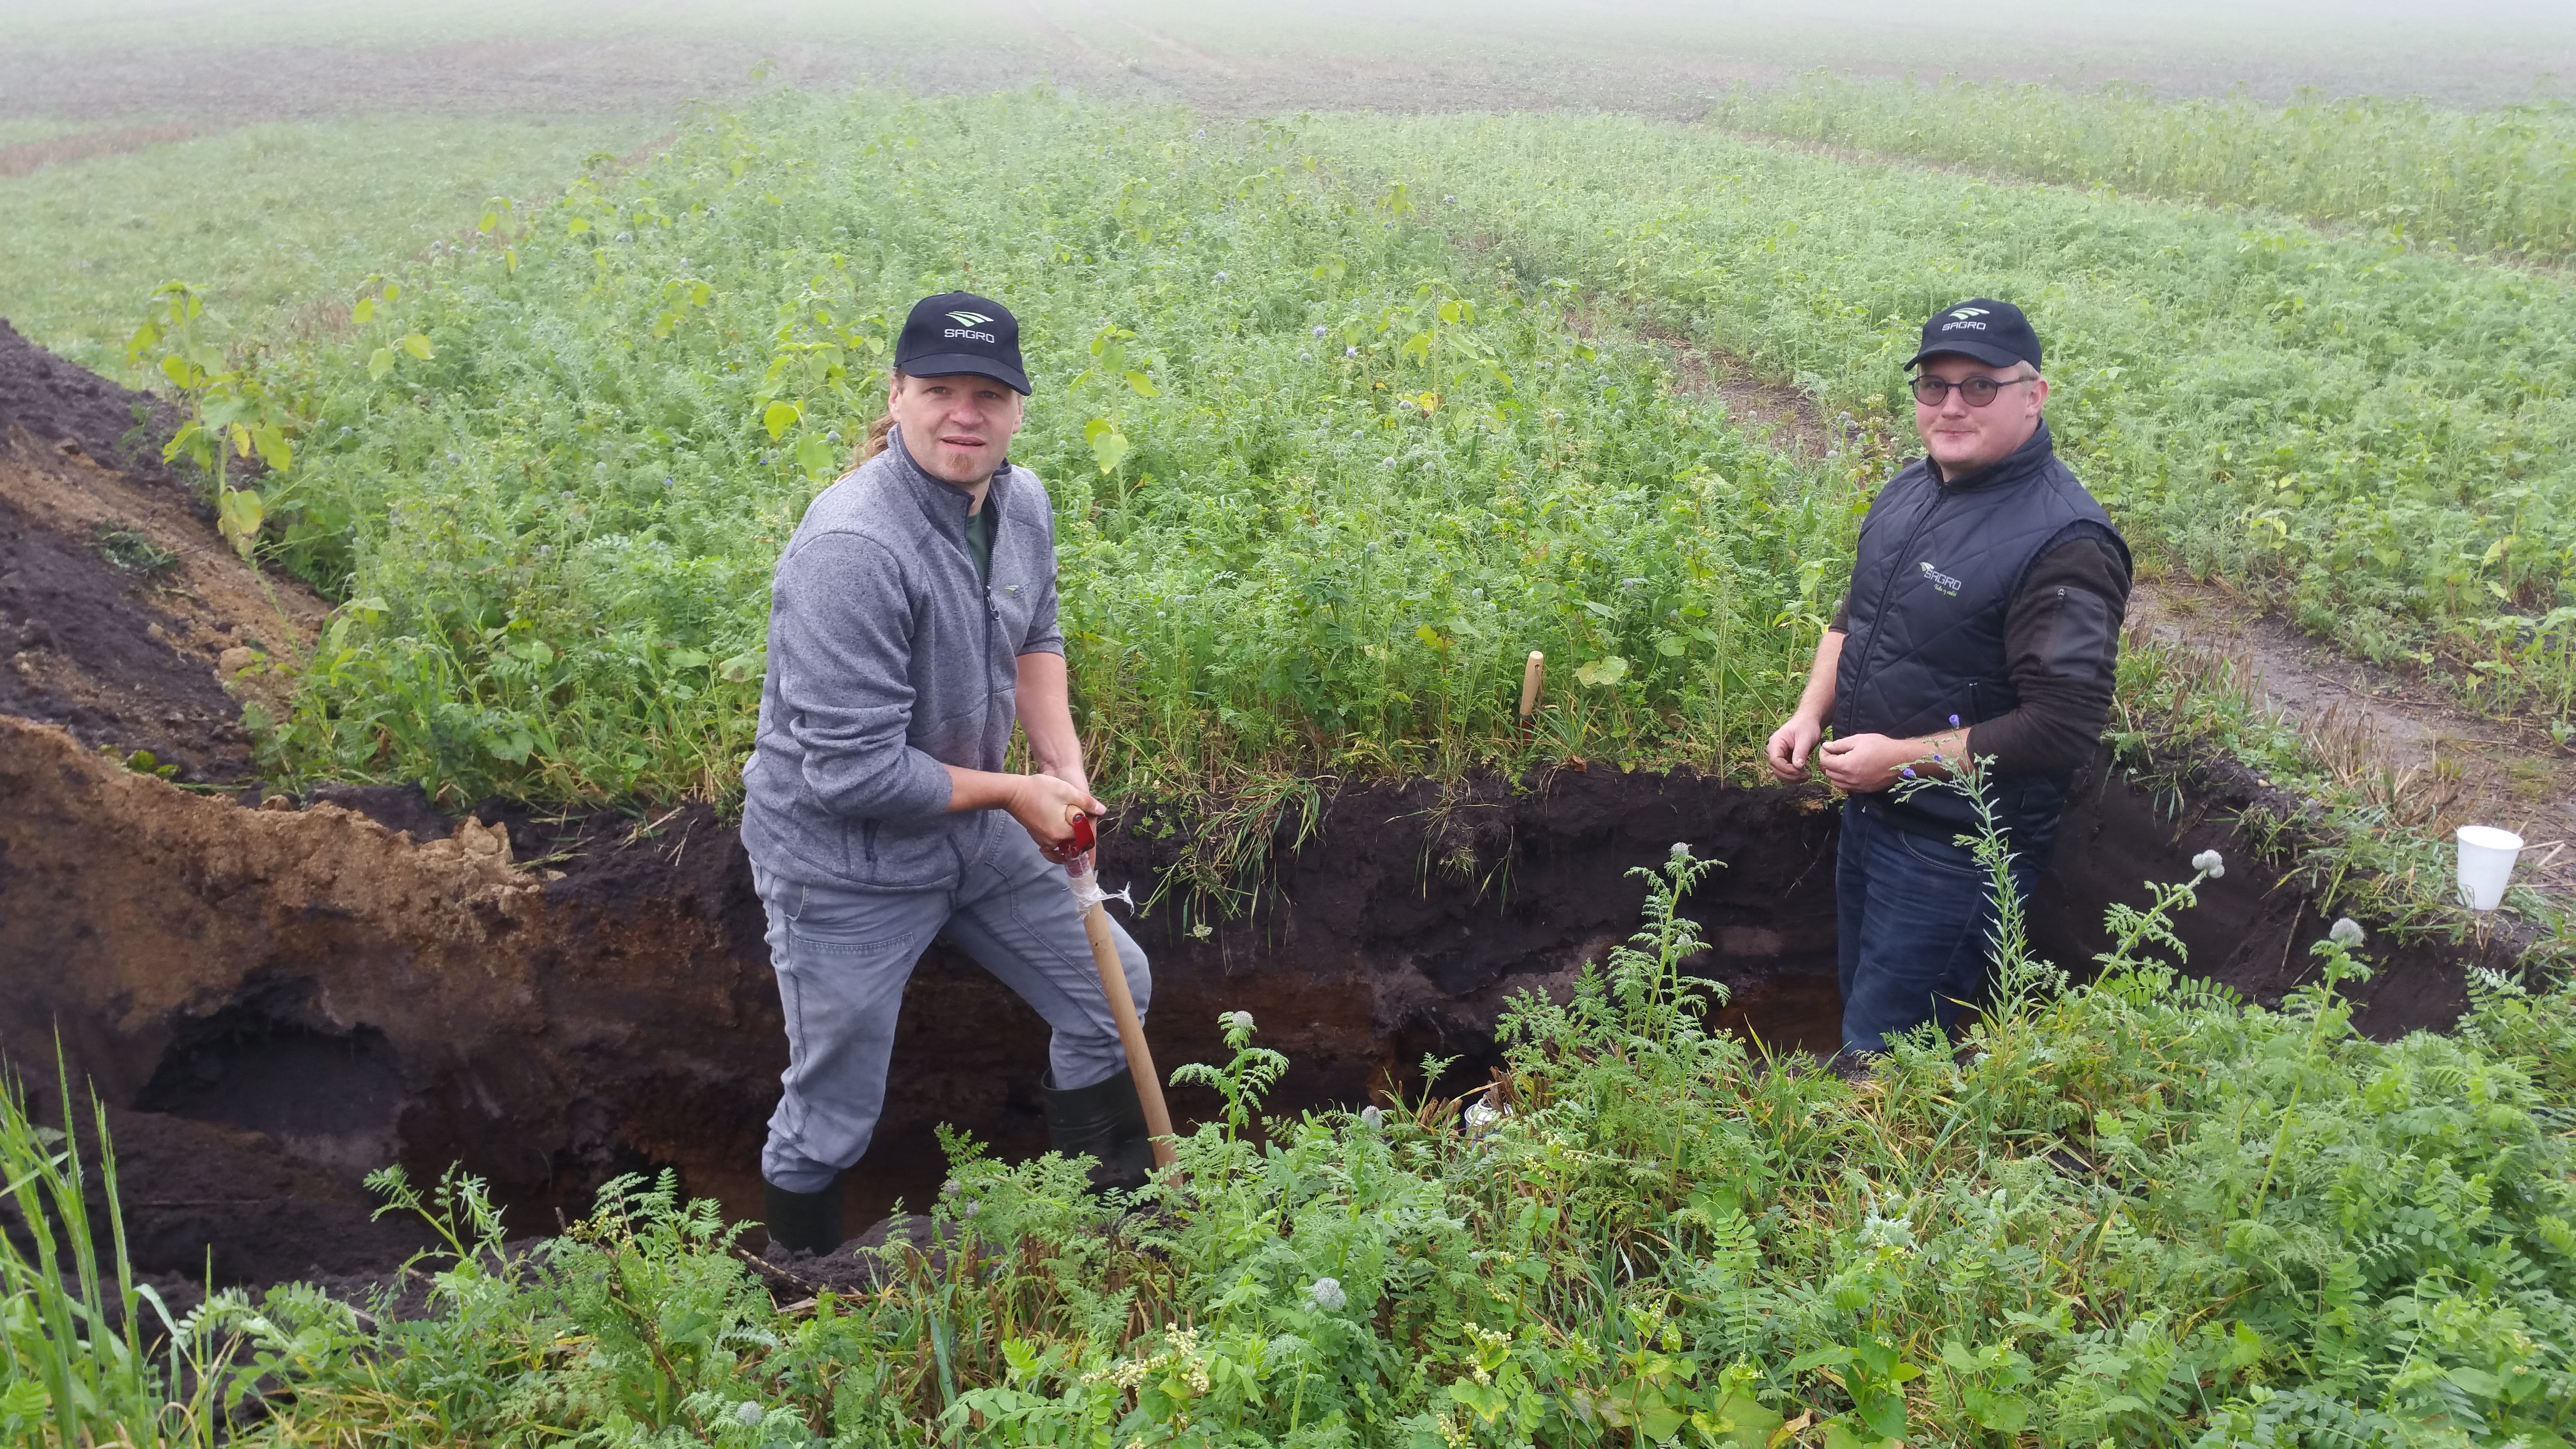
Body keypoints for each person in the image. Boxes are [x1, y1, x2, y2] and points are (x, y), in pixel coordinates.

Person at [740, 291, 1156, 1253]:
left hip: (966, 832)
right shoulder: (853, 547)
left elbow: (1036, 632)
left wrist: (1061, 768)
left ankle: (1105, 1234)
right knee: (834, 1108)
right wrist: (1014, 794)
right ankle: (798, 1283)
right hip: (845, 863)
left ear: (1018, 410)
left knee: (1113, 997)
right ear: (896, 396)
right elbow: (853, 775)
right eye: (939, 391)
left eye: (989, 394)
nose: (964, 415)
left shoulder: (1020, 502)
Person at [1766, 298, 2130, 1063]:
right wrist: (1810, 713)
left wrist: (1897, 762)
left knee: (1893, 1053)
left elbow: (2062, 727)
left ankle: (1881, 1136)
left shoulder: (2068, 544)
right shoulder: (1912, 489)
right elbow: (1855, 617)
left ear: (2034, 395)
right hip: (1872, 814)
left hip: (1958, 849)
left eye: (1980, 386)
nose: (1953, 405)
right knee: (1868, 1015)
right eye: (1934, 385)